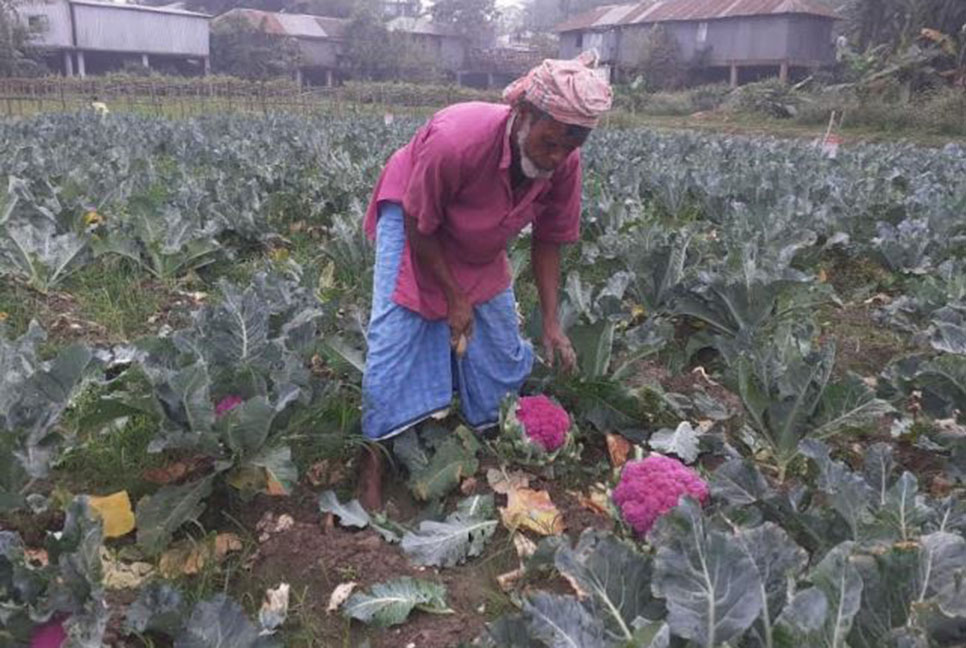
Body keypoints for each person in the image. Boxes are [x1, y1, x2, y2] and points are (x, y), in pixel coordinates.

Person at [357, 50, 612, 509]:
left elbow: (549, 240)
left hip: (483, 228)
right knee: (397, 330)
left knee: (496, 340)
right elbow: (421, 223)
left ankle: (489, 424)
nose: (557, 157)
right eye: (550, 143)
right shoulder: (458, 140)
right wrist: (454, 297)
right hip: (416, 214)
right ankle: (371, 458)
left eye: (570, 147)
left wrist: (552, 322)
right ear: (522, 116)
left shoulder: (563, 164)